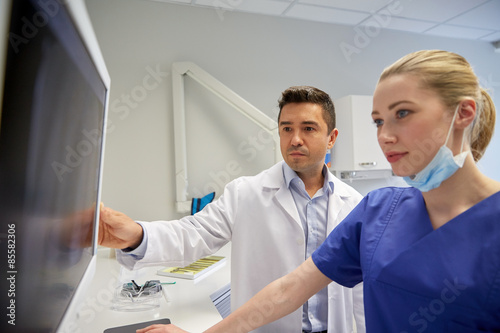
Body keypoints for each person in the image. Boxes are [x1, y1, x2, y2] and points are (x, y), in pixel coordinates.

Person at [140, 50, 500, 333]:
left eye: (402, 113)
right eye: (378, 121)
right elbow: (288, 290)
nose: (384, 135)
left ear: (463, 113)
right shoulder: (377, 212)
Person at [99, 86, 366, 333]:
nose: (295, 139)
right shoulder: (245, 193)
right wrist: (135, 235)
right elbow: (192, 234)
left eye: (308, 128)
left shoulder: (353, 203)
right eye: (286, 129)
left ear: (331, 138)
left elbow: (362, 292)